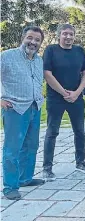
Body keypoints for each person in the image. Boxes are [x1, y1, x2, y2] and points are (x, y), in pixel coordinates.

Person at [1, 26, 46, 200]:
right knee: (12, 149)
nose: (33, 42)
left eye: (37, 40)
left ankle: (25, 178)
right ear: (23, 37)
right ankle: (10, 186)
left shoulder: (38, 60)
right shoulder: (7, 56)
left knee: (31, 145)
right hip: (15, 109)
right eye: (30, 38)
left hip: (34, 107)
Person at [43, 24, 85, 181]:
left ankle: (81, 162)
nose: (68, 37)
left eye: (71, 34)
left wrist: (77, 92)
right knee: (52, 132)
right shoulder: (51, 50)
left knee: (80, 131)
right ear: (59, 35)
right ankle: (47, 168)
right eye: (65, 34)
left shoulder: (79, 51)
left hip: (76, 97)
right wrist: (64, 93)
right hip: (55, 98)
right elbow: (47, 74)